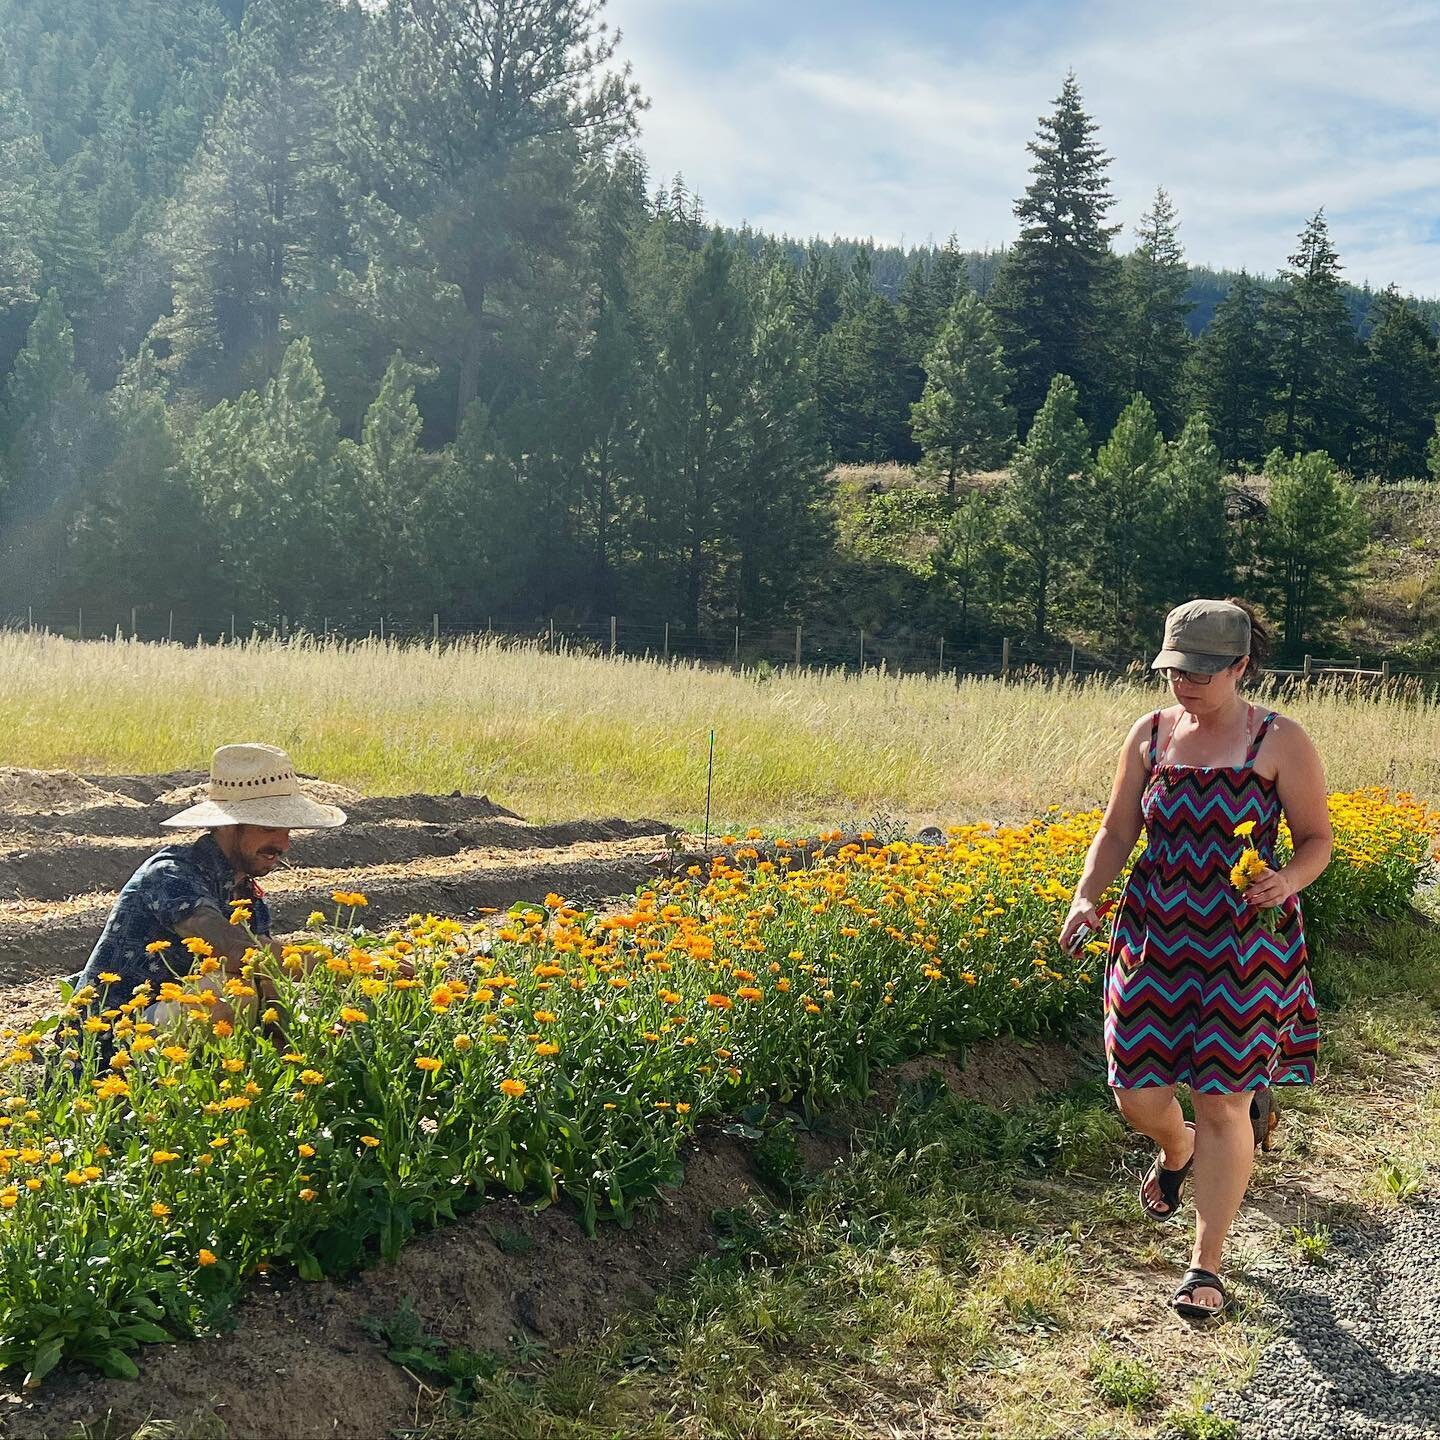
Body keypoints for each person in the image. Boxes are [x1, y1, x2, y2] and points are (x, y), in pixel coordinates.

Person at [1060, 599, 1331, 1320]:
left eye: (1204, 671)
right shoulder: (1149, 734)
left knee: (1221, 1101)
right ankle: (1176, 1151)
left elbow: (1316, 840)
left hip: (1244, 943)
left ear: (1241, 666)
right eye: (1175, 669)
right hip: (1153, 935)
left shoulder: (1279, 740)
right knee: (1138, 1098)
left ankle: (1205, 1266)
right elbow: (1119, 829)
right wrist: (1088, 897)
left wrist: (1289, 880)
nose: (1186, 684)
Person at [71, 743, 346, 1031]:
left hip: (171, 1036)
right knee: (227, 993)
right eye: (268, 829)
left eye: (288, 831)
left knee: (249, 988)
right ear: (227, 825)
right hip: (111, 1036)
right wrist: (341, 968)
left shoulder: (247, 898)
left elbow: (267, 987)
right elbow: (230, 948)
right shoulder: (171, 873)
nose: (284, 844)